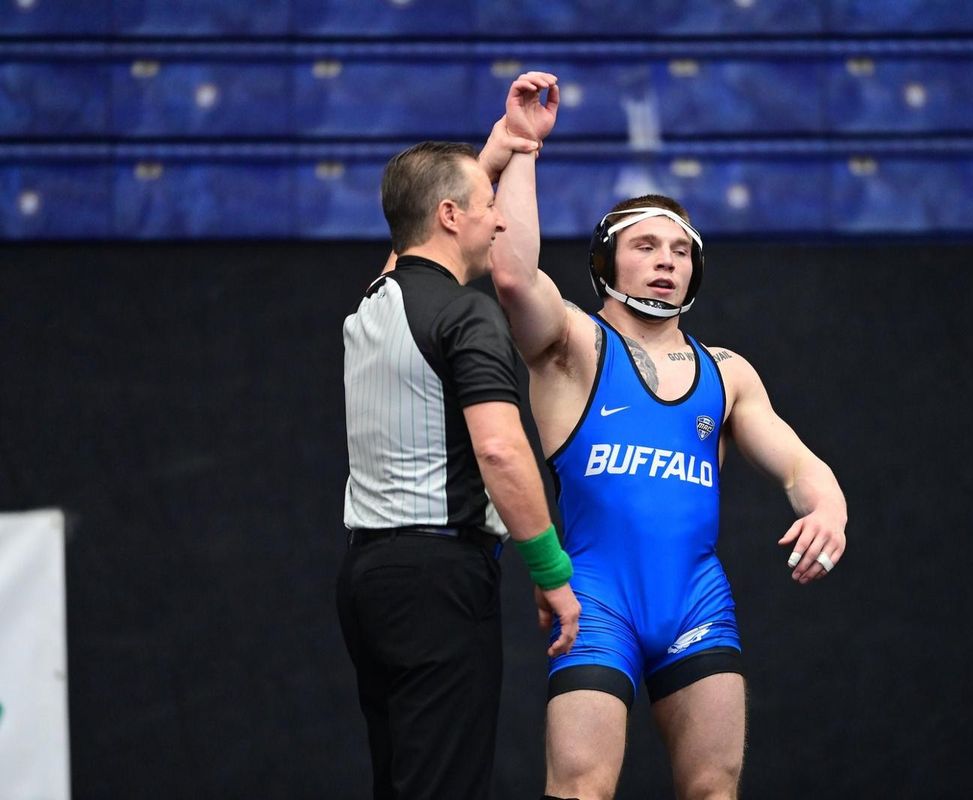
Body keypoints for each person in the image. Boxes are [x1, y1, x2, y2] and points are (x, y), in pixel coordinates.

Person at [486, 72, 848, 799]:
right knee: (582, 787)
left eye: (680, 251)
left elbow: (799, 462)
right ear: (605, 264)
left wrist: (827, 505)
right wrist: (522, 149)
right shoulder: (574, 348)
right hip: (598, 598)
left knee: (714, 789)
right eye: (646, 246)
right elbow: (516, 279)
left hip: (694, 600)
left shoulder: (727, 372)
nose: (665, 261)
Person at [336, 120, 582, 800]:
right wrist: (551, 569)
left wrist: (498, 150)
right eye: (488, 204)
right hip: (438, 583)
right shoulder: (467, 316)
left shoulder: (372, 305)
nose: (499, 221)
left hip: (369, 583)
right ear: (449, 215)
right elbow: (501, 450)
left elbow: (405, 252)